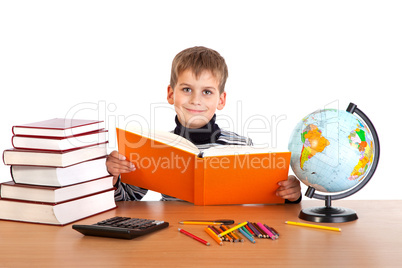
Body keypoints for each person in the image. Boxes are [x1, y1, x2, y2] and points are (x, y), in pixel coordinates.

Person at [106, 46, 301, 203]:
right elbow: (125, 199)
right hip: (175, 236)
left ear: (221, 100)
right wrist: (112, 175)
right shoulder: (154, 147)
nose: (196, 100)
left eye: (207, 92)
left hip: (227, 238)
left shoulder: (243, 147)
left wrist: (290, 193)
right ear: (171, 94)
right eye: (187, 89)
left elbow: (267, 200)